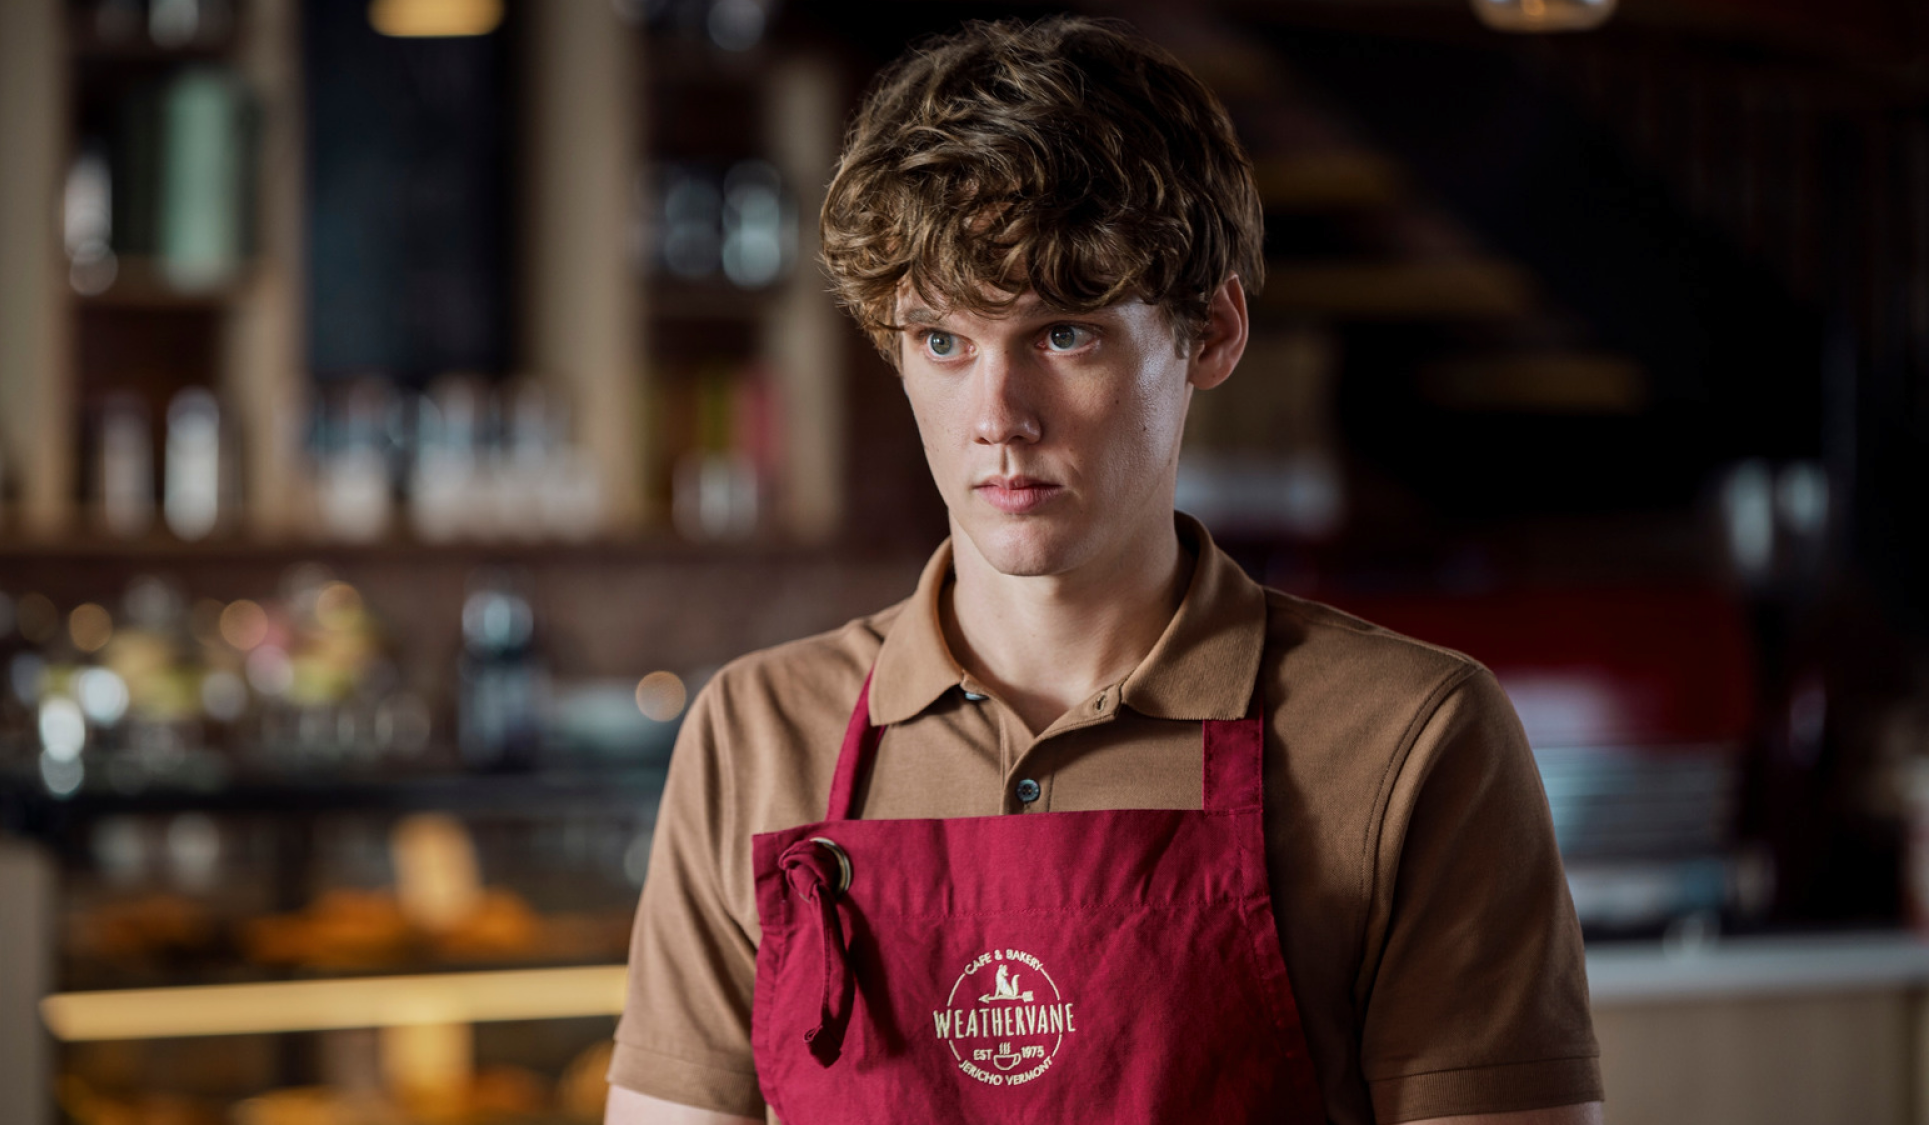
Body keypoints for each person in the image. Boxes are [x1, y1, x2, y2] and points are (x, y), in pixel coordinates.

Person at [606, 15, 1603, 1125]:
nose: (996, 418)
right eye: (943, 341)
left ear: (1210, 331)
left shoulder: (1409, 740)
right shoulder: (754, 735)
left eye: (1062, 332)